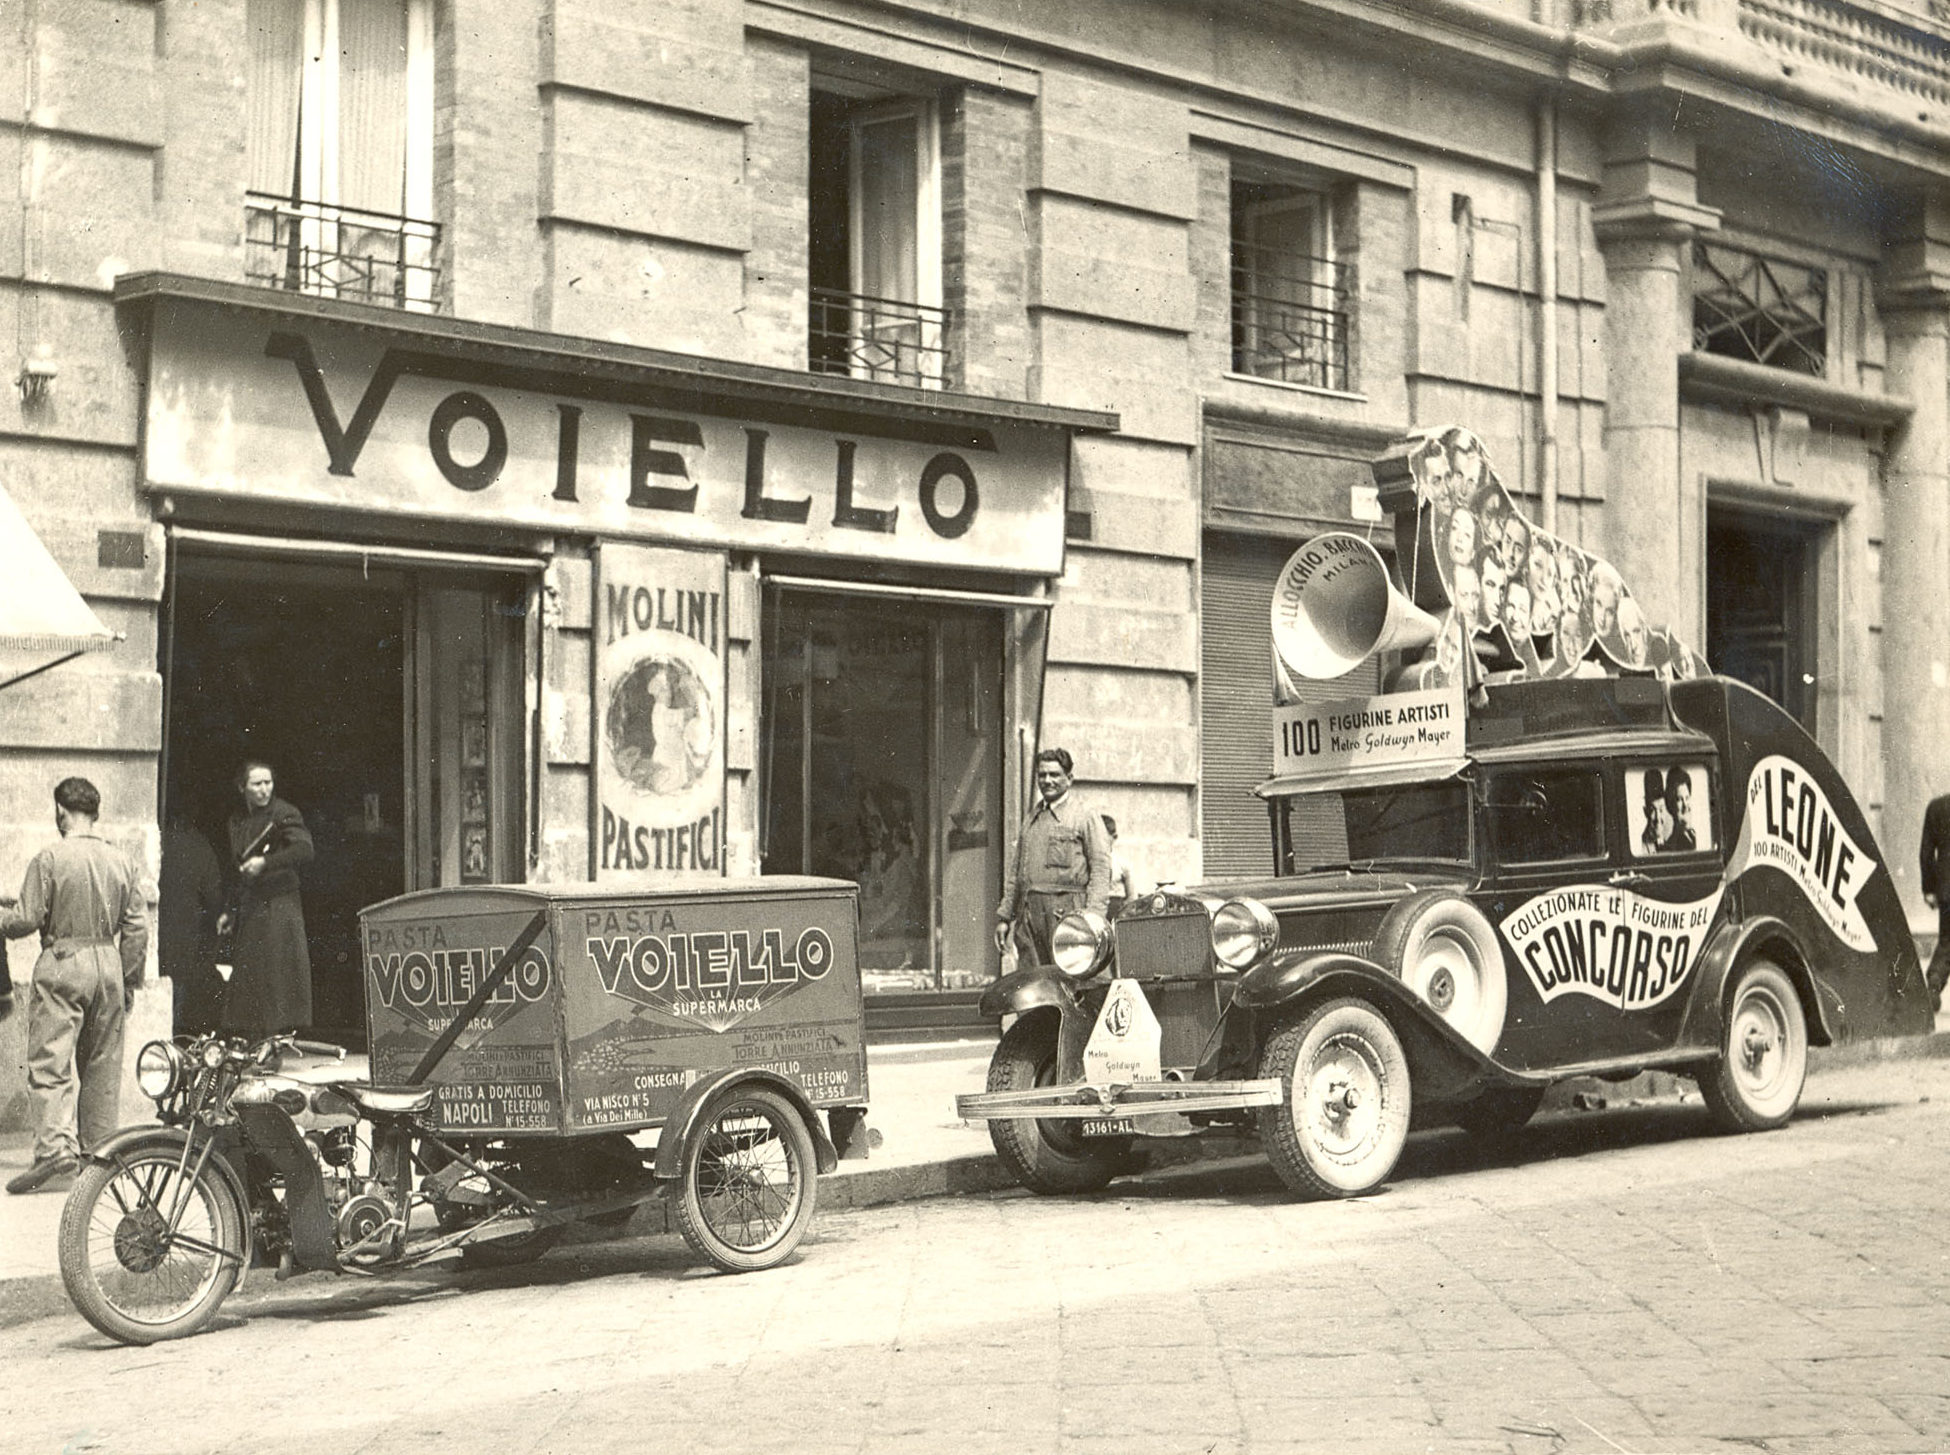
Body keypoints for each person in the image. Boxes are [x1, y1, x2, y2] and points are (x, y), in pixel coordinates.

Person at [0, 777, 149, 1194]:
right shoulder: (122, 861)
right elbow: (137, 927)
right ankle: (99, 1154)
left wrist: (2, 917)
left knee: (50, 1061)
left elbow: (26, 919)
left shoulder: (49, 858)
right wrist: (129, 978)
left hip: (64, 961)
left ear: (61, 811)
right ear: (94, 813)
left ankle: (53, 1152)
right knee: (102, 1065)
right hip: (109, 962)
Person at [221, 760, 315, 1037]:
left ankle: (275, 1043)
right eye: (256, 784)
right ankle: (251, 1042)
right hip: (251, 906)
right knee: (249, 977)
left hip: (279, 906)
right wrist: (229, 910)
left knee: (276, 977)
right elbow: (237, 869)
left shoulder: (284, 813)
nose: (264, 790)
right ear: (242, 788)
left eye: (268, 783)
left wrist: (266, 863)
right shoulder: (237, 821)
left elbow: (304, 850)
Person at [994, 747, 1112, 969]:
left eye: (1054, 775)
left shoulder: (1085, 816)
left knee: (1075, 982)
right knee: (1035, 983)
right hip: (1029, 919)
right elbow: (1016, 874)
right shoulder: (1032, 819)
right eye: (1042, 775)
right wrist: (1004, 918)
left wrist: (1093, 920)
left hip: (1068, 917)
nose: (1047, 781)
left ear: (1069, 779)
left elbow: (1101, 869)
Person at [159, 813, 225, 1033]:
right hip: (186, 921)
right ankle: (178, 1030)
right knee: (181, 977)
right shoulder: (199, 845)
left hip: (163, 918)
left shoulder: (162, 840)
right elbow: (213, 893)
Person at [1920, 792, 1950, 1000]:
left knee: (1947, 940)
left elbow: (1926, 852)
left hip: (1946, 889)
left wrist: (1929, 889)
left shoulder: (1937, 807)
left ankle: (1934, 982)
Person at [1102, 815, 1140, 920]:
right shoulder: (1087, 863)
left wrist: (1123, 913)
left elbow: (1132, 896)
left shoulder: (1121, 863)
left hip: (1117, 911)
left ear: (1114, 837)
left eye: (1104, 838)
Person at [1663, 767, 1699, 853]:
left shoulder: (1693, 835)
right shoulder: (1671, 847)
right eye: (1679, 799)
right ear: (1670, 804)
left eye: (1687, 798)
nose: (1685, 805)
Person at [1640, 769, 1671, 855]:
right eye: (1653, 810)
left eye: (1661, 809)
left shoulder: (1670, 840)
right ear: (1645, 812)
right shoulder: (1641, 848)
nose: (1658, 817)